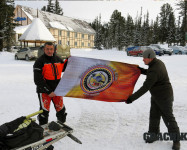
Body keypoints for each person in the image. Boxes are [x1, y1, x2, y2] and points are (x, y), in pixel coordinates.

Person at [125, 49, 180, 150]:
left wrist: (131, 98)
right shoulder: (156, 64)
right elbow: (151, 73)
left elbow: (145, 87)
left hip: (164, 97)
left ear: (150, 58)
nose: (143, 60)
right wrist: (142, 70)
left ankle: (176, 141)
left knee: (168, 118)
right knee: (154, 115)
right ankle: (153, 135)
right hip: (156, 95)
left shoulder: (155, 69)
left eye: (144, 58)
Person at [33, 42, 68, 126]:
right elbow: (37, 80)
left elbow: (63, 69)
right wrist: (48, 91)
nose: (49, 51)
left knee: (60, 109)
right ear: (44, 49)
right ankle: (43, 128)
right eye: (47, 49)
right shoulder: (39, 62)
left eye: (51, 49)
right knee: (44, 111)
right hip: (44, 91)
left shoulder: (58, 59)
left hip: (57, 90)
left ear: (54, 50)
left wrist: (69, 61)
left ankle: (61, 125)